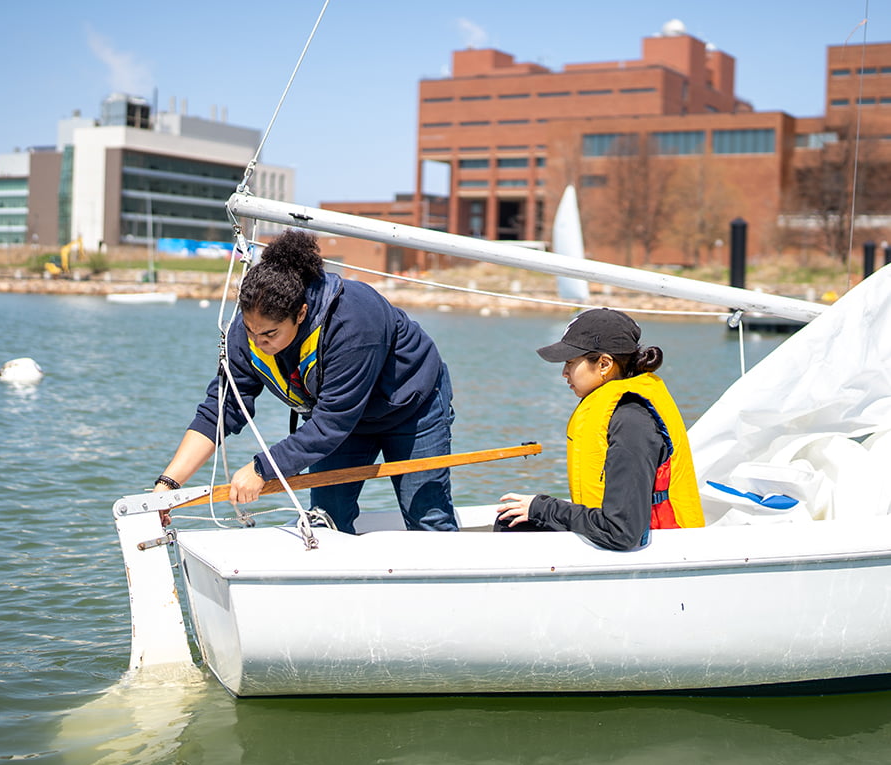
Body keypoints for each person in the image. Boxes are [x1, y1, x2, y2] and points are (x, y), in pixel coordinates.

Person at [155, 229, 458, 533]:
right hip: (339, 422)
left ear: (300, 314)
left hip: (412, 408)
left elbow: (331, 425)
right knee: (328, 520)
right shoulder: (248, 331)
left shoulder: (352, 324)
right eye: (251, 331)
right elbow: (220, 409)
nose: (258, 343)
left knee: (427, 518)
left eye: (270, 334)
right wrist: (168, 484)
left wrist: (263, 469)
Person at [496, 308, 704, 549]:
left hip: (656, 547)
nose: (564, 373)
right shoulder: (618, 410)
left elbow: (621, 531)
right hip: (617, 535)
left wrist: (542, 507)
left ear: (604, 364)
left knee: (514, 525)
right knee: (511, 521)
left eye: (571, 363)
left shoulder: (632, 422)